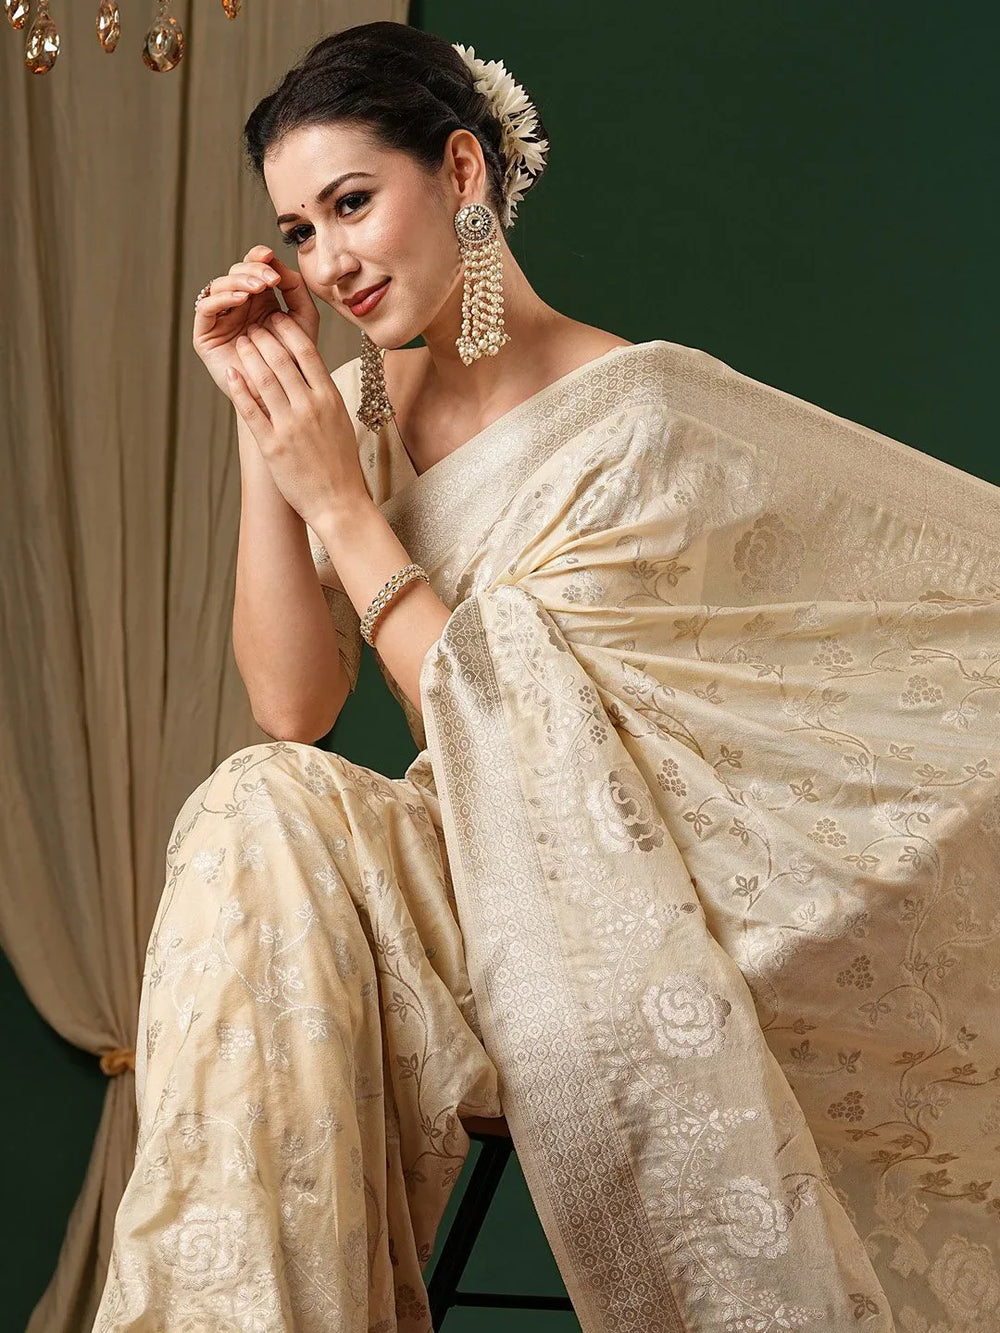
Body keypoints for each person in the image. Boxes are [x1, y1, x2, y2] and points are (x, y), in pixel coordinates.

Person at [93, 20, 1000, 1333]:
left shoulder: (631, 413)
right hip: (462, 872)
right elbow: (293, 708)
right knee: (257, 802)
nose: (328, 260)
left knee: (264, 809)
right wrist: (265, 427)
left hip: (608, 889)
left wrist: (342, 508)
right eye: (297, 229)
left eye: (352, 203)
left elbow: (542, 748)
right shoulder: (355, 420)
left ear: (461, 171)